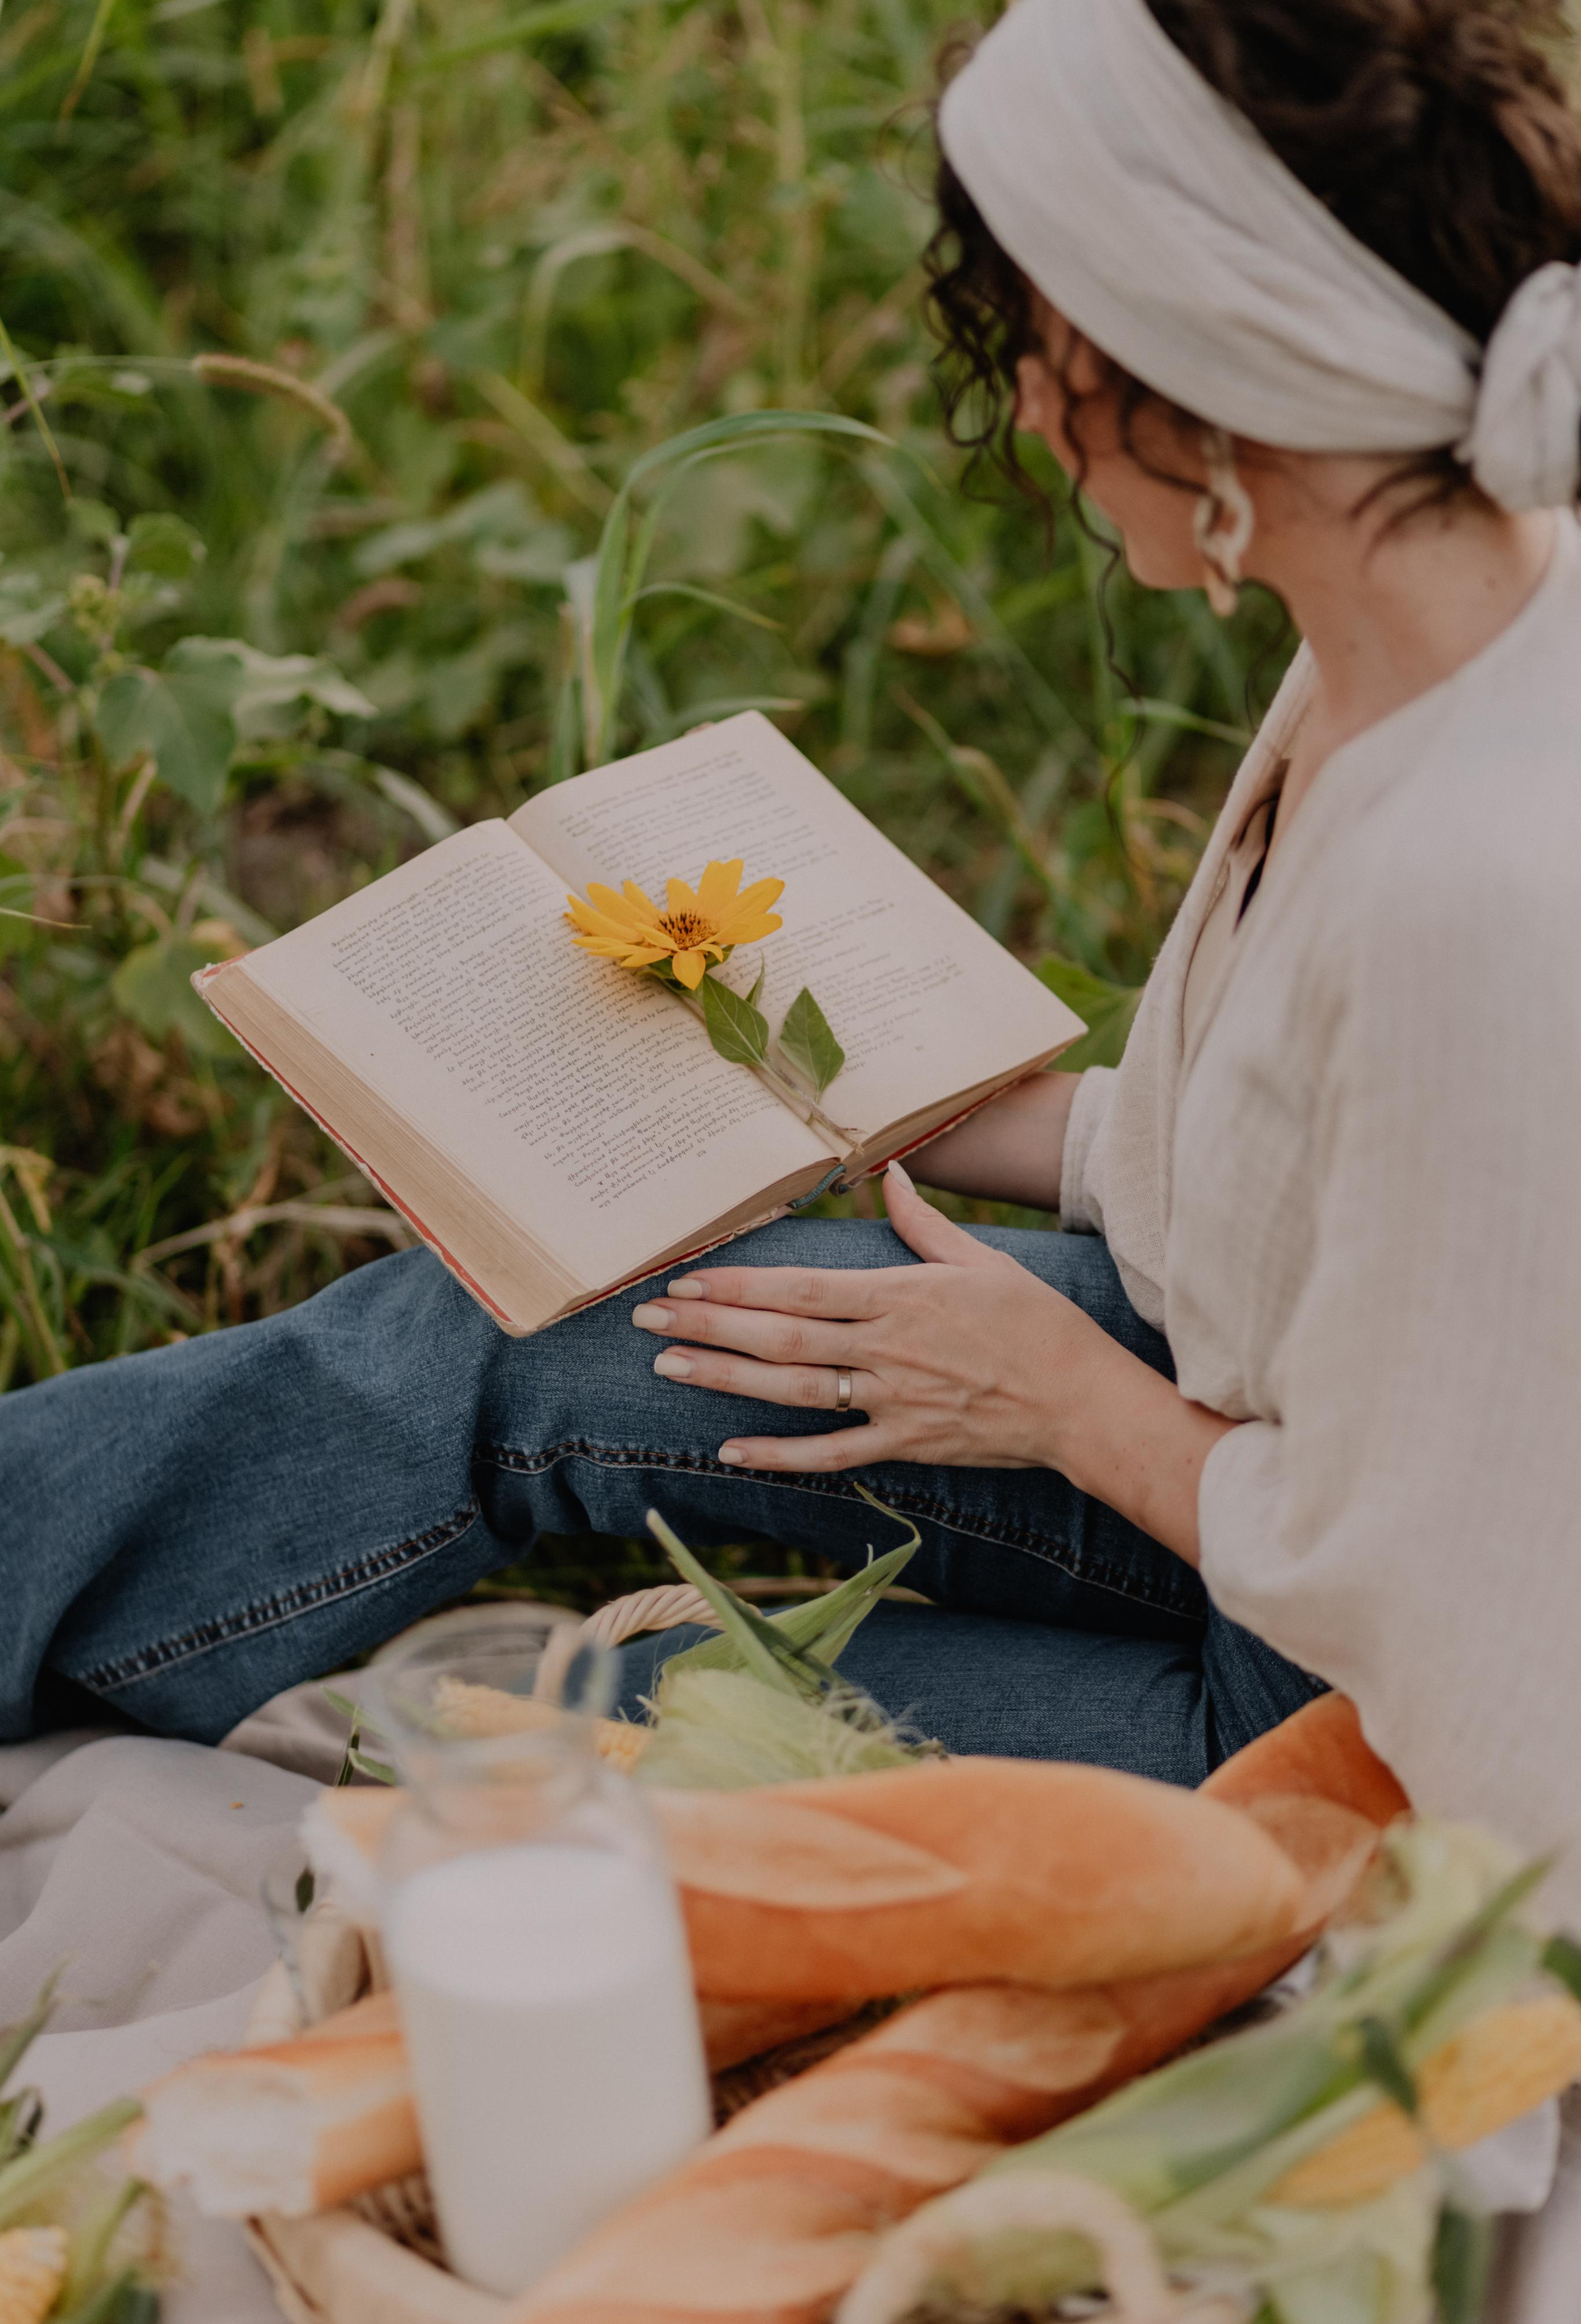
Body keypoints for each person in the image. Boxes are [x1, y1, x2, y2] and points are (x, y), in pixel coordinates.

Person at [6, 0, 1581, 1892]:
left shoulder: (1487, 893)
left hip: (1357, 1741)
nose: (1017, 412)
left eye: (1027, 351)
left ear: (1175, 373)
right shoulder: (1426, 628)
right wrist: (806, 1101)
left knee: (581, 1731)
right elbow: (1288, 1200)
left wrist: (1068, 1407)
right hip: (1238, 1429)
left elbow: (1461, 1608)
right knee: (511, 1337)